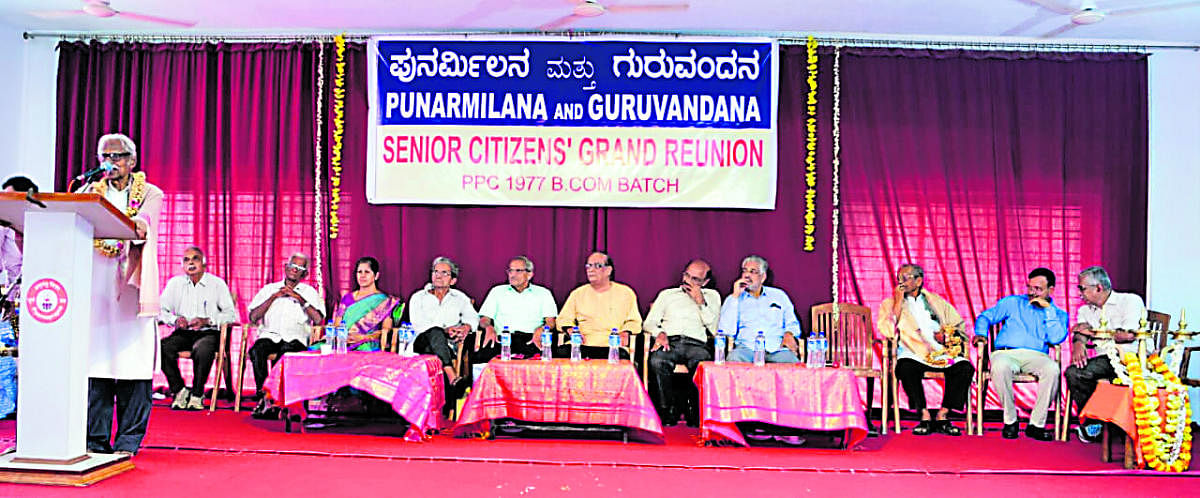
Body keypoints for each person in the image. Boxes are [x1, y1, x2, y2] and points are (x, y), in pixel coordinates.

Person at [80, 133, 164, 455]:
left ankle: (128, 441)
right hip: (96, 289)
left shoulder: (150, 193)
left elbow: (142, 225)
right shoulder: (87, 193)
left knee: (133, 363)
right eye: (106, 156)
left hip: (132, 287)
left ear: (132, 161)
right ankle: (95, 440)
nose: (111, 163)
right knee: (97, 361)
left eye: (117, 156)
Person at [973, 267, 1069, 441]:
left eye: (1038, 289)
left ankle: (1036, 425)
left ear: (1051, 290)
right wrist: (980, 333)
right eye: (1029, 287)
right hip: (1006, 353)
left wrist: (1048, 310)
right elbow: (985, 317)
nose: (1032, 293)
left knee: (1052, 369)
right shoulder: (1012, 302)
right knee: (1000, 367)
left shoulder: (1058, 314)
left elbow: (1056, 338)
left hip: (1037, 356)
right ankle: (1010, 421)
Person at [877, 264, 973, 436]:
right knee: (904, 367)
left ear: (919, 281)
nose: (901, 282)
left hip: (940, 351)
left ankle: (944, 414)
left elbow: (958, 326)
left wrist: (947, 337)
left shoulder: (935, 301)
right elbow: (889, 331)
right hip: (912, 351)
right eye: (899, 278)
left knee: (964, 368)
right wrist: (898, 303)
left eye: (905, 278)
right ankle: (924, 414)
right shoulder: (889, 303)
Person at [1064, 265, 1145, 443]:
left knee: (1078, 373)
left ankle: (1103, 423)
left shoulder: (1130, 301)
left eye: (1082, 288)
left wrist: (1091, 332)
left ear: (1098, 288)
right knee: (1074, 371)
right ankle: (1097, 423)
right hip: (1105, 359)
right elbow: (1079, 331)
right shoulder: (1085, 310)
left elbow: (1126, 335)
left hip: (1129, 357)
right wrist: (1078, 343)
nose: (1080, 294)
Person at [158, 246, 237, 411]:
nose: (191, 263)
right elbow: (160, 310)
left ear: (204, 264)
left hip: (208, 333)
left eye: (195, 259)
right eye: (186, 260)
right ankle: (179, 390)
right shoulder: (175, 283)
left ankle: (197, 393)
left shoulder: (216, 284)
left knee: (202, 349)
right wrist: (175, 320)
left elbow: (230, 314)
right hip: (183, 333)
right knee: (162, 347)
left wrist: (208, 320)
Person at [644, 259, 720, 426]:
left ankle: (695, 410)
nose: (688, 281)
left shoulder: (712, 296)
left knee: (703, 363)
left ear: (705, 282)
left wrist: (700, 302)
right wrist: (659, 333)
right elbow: (649, 323)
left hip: (697, 344)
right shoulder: (667, 295)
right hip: (670, 341)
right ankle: (667, 410)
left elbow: (715, 329)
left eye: (695, 279)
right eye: (687, 275)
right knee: (658, 361)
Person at [247, 253, 325, 417]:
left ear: (304, 274)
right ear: (286, 267)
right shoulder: (269, 289)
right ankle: (265, 397)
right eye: (292, 266)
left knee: (285, 353)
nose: (294, 270)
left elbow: (319, 320)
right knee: (256, 352)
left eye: (300, 268)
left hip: (295, 339)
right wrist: (274, 297)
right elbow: (253, 317)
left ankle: (278, 401)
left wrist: (300, 299)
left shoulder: (309, 292)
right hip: (269, 335)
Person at [555, 251, 642, 360]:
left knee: (621, 358)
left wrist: (625, 333)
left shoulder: (626, 293)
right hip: (582, 343)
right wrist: (570, 330)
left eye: (597, 266)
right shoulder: (578, 293)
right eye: (588, 266)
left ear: (608, 270)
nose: (591, 270)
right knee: (560, 353)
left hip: (612, 344)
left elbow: (634, 321)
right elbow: (563, 319)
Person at [473, 255, 558, 363]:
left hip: (531, 339)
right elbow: (484, 319)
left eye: (518, 271)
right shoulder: (497, 291)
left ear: (529, 274)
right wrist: (489, 327)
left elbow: (551, 322)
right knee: (480, 358)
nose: (513, 275)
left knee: (543, 359)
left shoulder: (543, 293)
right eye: (510, 271)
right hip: (502, 339)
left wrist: (541, 329)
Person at [718, 255, 801, 364]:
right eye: (745, 271)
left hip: (776, 348)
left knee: (793, 364)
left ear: (763, 277)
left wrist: (789, 333)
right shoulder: (734, 298)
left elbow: (792, 322)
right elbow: (726, 330)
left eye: (753, 272)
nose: (747, 275)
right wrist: (735, 297)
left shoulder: (779, 296)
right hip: (747, 349)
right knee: (734, 359)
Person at [408, 256, 478, 385]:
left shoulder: (460, 297)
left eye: (444, 273)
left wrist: (466, 327)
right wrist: (445, 331)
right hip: (420, 343)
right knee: (435, 332)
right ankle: (452, 376)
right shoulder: (418, 297)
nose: (438, 276)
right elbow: (418, 324)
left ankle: (447, 395)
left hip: (447, 346)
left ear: (453, 280)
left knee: (434, 355)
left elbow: (473, 317)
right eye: (436, 272)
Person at [311, 256, 401, 352]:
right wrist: (342, 337)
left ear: (376, 275)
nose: (362, 276)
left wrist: (363, 337)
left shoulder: (384, 301)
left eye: (367, 272)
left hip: (366, 342)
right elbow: (337, 325)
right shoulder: (347, 298)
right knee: (315, 350)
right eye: (359, 272)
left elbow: (386, 331)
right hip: (341, 341)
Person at [0, 176, 36, 291]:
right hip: (11, 288)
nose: (5, 202)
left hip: (38, 286)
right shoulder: (3, 222)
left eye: (9, 197)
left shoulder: (40, 220)